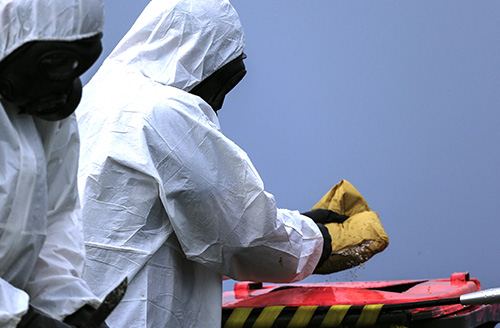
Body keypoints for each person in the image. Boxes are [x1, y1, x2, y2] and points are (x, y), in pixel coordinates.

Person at [76, 0, 378, 327]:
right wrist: (325, 241)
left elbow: (177, 225)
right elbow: (245, 236)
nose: (218, 101)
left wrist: (299, 222)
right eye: (220, 80)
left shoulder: (93, 104)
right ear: (193, 55)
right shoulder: (164, 113)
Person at [0, 0, 109, 327]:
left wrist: (72, 308)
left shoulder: (49, 116)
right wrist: (25, 320)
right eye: (54, 62)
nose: (63, 81)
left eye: (77, 63)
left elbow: (53, 220)